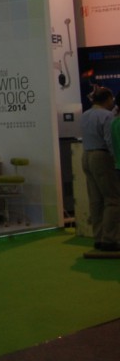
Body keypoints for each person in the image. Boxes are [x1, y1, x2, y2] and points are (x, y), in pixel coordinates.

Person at [81, 88, 120, 256]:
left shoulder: (85, 115)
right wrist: (115, 159)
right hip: (102, 156)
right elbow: (109, 140)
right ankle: (110, 239)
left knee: (95, 199)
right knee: (112, 199)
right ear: (108, 99)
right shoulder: (107, 116)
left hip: (86, 155)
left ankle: (98, 237)